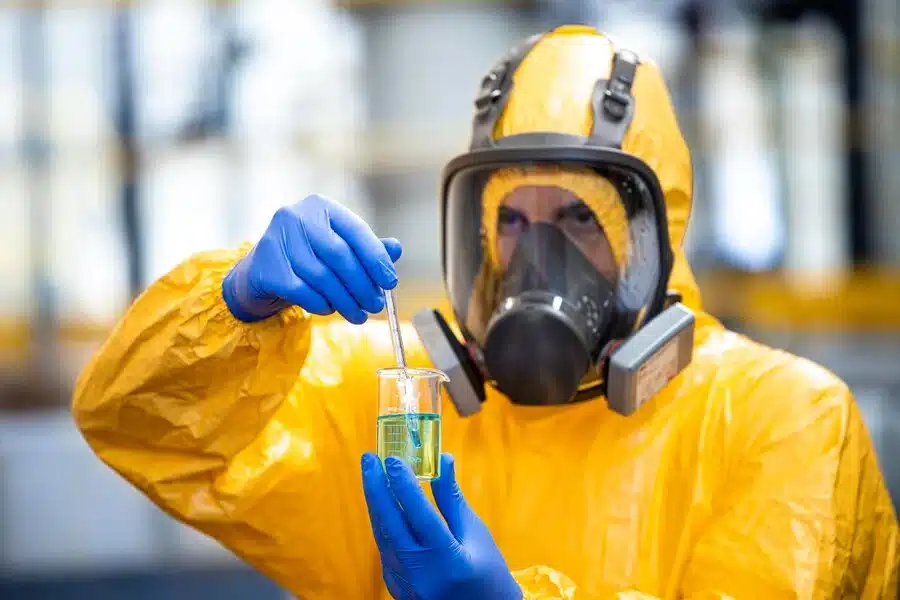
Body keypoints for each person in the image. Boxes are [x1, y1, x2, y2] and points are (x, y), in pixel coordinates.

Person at [73, 25, 898, 599]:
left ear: (654, 234)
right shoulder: (404, 402)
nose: (536, 256)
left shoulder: (784, 422)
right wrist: (235, 304)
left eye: (579, 219)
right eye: (512, 220)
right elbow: (138, 422)